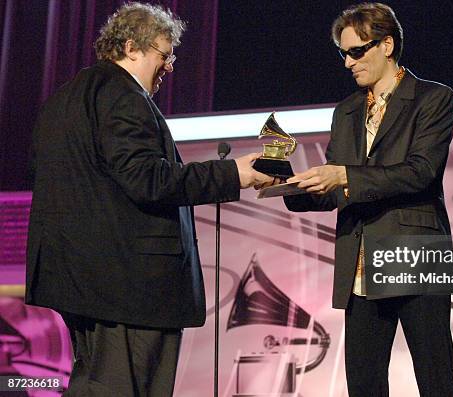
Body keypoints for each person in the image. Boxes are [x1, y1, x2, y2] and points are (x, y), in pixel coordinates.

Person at [25, 3, 271, 396]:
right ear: (131, 48)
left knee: (95, 385)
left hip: (81, 281)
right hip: (126, 287)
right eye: (165, 54)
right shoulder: (124, 96)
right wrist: (232, 174)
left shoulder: (64, 98)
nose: (170, 66)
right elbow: (147, 180)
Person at [283, 3, 453, 396]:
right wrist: (290, 186)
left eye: (357, 51)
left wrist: (343, 175)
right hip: (360, 260)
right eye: (343, 53)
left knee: (434, 378)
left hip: (414, 255)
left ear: (387, 45)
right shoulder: (345, 110)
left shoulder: (432, 98)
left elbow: (420, 172)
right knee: (363, 384)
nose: (348, 62)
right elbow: (335, 189)